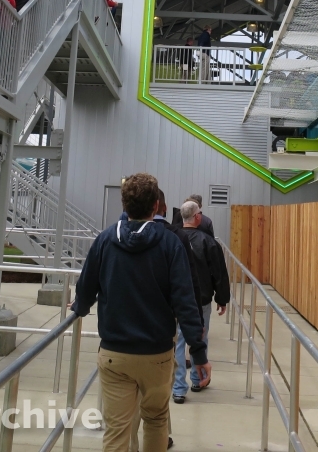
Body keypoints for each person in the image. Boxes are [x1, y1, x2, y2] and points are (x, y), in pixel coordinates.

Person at [72, 173, 210, 452]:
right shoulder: (171, 244)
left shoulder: (105, 240)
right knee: (156, 419)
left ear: (125, 206)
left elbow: (86, 286)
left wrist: (80, 307)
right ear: (155, 206)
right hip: (156, 355)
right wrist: (198, 353)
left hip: (114, 353)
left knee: (117, 430)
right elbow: (185, 301)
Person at [173, 200, 230, 400]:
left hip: (174, 301)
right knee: (200, 338)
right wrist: (222, 298)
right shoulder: (208, 242)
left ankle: (178, 388)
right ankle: (198, 380)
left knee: (178, 342)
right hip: (202, 301)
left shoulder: (172, 239)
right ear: (197, 217)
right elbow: (219, 273)